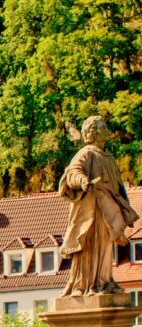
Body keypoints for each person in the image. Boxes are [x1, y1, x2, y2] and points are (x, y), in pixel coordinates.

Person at [58, 115, 140, 298]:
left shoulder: (108, 157)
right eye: (102, 127)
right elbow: (72, 172)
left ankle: (104, 281)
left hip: (108, 210)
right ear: (92, 132)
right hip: (92, 210)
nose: (106, 130)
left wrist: (125, 209)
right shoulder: (86, 153)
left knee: (105, 247)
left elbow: (118, 187)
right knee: (89, 245)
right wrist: (83, 181)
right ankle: (85, 283)